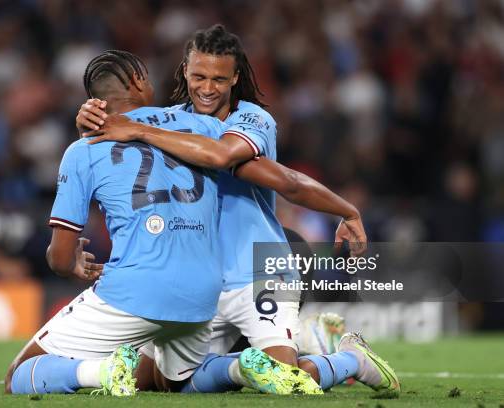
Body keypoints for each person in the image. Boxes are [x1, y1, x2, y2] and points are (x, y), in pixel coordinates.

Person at [76, 25, 399, 395]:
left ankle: (350, 358)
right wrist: (88, 115)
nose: (207, 88)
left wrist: (347, 211)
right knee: (160, 383)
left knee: (284, 383)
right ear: (184, 71)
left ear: (235, 78)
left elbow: (238, 161)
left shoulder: (252, 119)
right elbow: (114, 141)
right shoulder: (172, 121)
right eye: (198, 76)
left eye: (218, 78)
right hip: (198, 280)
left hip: (257, 272)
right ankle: (283, 348)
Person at [5, 50, 319, 397]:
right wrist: (348, 211)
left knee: (19, 375)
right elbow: (282, 179)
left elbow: (60, 260)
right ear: (139, 82)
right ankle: (239, 366)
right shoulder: (205, 127)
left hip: (136, 290)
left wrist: (72, 261)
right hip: (204, 294)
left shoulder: (83, 149)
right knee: (175, 382)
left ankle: (101, 371)